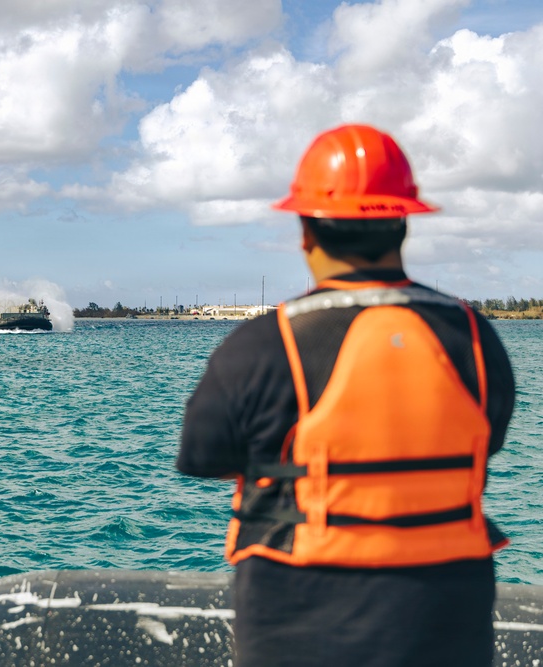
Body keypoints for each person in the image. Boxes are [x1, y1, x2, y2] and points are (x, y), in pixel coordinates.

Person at [177, 124, 514, 666]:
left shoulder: (264, 344)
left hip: (297, 620)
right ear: (403, 224)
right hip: (448, 616)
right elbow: (486, 439)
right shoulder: (475, 338)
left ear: (306, 231)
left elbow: (202, 457)